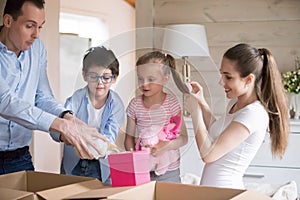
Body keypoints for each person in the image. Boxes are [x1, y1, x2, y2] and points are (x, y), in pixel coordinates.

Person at [0, 0, 105, 175]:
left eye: (40, 27)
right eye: (30, 26)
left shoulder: (37, 49)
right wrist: (59, 125)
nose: (36, 35)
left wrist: (67, 117)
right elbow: (5, 101)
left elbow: (41, 96)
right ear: (8, 21)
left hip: (19, 158)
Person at [184, 43, 289, 189]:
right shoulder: (236, 103)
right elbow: (216, 132)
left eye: (228, 77)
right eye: (222, 75)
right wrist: (202, 103)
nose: (222, 82)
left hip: (226, 191)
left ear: (249, 79)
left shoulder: (253, 113)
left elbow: (209, 154)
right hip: (213, 190)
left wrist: (195, 113)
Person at [51, 46, 125, 184]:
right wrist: (65, 133)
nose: (100, 82)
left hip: (101, 166)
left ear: (114, 78)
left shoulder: (116, 105)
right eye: (93, 76)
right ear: (84, 75)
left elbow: (109, 137)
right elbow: (57, 129)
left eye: (106, 77)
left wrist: (83, 139)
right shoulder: (75, 99)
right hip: (73, 164)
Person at [124, 51, 188, 183]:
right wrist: (135, 157)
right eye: (140, 78)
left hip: (169, 171)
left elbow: (183, 138)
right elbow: (129, 139)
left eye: (151, 79)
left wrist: (166, 145)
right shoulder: (135, 105)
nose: (144, 84)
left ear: (165, 78)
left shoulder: (171, 104)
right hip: (143, 169)